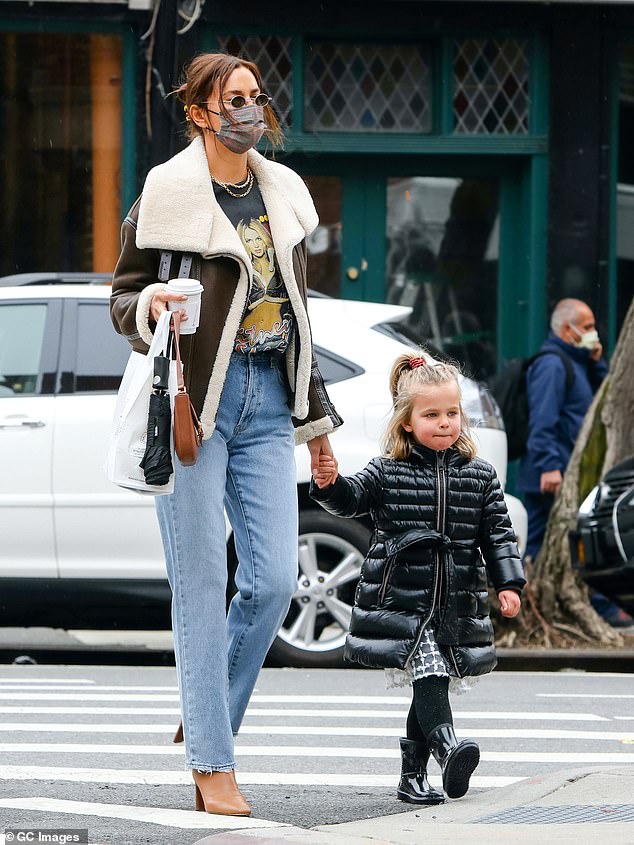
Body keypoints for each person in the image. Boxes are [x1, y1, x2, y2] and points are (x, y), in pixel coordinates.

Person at [110, 52, 342, 817]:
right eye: (233, 99)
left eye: (256, 96)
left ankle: (205, 706)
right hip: (194, 407)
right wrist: (152, 312)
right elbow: (121, 296)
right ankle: (214, 764)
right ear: (200, 112)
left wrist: (317, 428)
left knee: (274, 579)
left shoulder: (280, 194)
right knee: (202, 586)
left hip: (269, 400)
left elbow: (300, 318)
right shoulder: (167, 194)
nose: (250, 109)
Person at [310, 353, 525, 803]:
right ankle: (448, 749)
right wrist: (330, 485)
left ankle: (412, 777)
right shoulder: (386, 471)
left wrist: (508, 584)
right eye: (431, 414)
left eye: (452, 413)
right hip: (403, 600)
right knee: (429, 670)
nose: (445, 422)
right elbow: (350, 500)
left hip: (455, 600)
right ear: (407, 422)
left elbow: (499, 536)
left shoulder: (480, 476)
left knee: (433, 681)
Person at [518, 298, 608, 562]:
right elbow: (543, 420)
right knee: (537, 545)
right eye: (588, 326)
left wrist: (597, 362)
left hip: (566, 469)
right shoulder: (552, 365)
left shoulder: (578, 362)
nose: (594, 333)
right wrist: (549, 466)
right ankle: (523, 597)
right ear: (568, 330)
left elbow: (605, 398)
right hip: (550, 475)